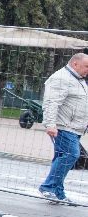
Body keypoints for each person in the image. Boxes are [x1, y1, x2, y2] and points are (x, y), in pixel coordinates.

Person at [37, 51, 88, 203]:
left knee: (62, 157)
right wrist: (51, 125)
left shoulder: (78, 79)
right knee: (71, 154)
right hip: (63, 126)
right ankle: (48, 187)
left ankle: (58, 192)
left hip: (74, 127)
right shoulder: (61, 78)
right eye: (86, 66)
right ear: (75, 64)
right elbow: (51, 103)